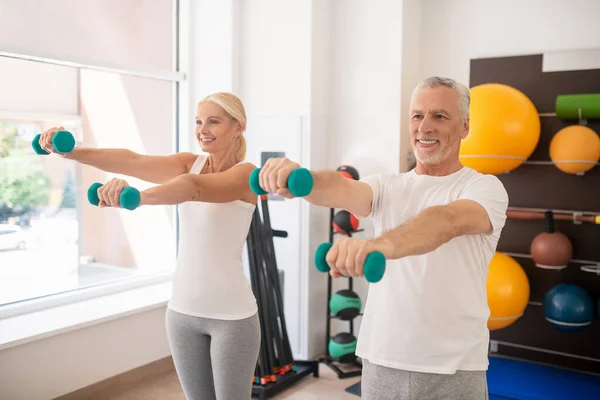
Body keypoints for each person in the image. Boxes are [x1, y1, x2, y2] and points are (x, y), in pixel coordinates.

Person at [258, 76, 509, 399]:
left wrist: (378, 246)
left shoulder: (483, 188)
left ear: (464, 126)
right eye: (417, 116)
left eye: (439, 116)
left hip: (454, 367)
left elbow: (446, 221)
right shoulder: (387, 186)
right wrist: (297, 178)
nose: (425, 127)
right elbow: (341, 187)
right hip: (382, 359)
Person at [38, 92, 261, 400]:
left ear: (238, 127)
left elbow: (194, 190)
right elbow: (131, 160)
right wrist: (73, 152)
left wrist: (138, 198)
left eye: (214, 122)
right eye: (198, 121)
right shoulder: (189, 163)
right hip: (181, 313)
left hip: (231, 316)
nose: (202, 130)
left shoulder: (247, 174)